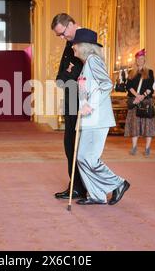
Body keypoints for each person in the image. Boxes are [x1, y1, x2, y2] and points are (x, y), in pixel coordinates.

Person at [72, 28, 130, 205]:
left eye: (75, 43)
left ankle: (118, 183)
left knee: (88, 158)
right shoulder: (87, 63)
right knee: (82, 158)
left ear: (83, 46)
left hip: (97, 118)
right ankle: (96, 194)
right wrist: (83, 102)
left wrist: (91, 105)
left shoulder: (93, 61)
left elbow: (106, 84)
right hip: (89, 118)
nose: (73, 46)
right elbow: (87, 90)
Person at [51, 13, 86, 200]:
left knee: (78, 144)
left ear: (71, 24)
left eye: (63, 33)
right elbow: (65, 67)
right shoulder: (71, 40)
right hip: (70, 95)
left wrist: (64, 76)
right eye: (59, 36)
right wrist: (62, 76)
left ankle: (81, 186)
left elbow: (76, 69)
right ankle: (75, 185)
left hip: (81, 97)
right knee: (69, 143)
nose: (62, 38)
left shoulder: (84, 39)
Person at [124, 49, 155, 156]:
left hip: (146, 100)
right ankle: (134, 147)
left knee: (148, 125)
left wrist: (142, 96)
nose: (140, 61)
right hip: (134, 101)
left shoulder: (150, 72)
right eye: (138, 59)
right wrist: (136, 96)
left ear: (144, 60)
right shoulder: (131, 72)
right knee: (135, 125)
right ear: (136, 60)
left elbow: (151, 87)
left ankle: (147, 148)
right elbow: (128, 86)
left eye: (142, 59)